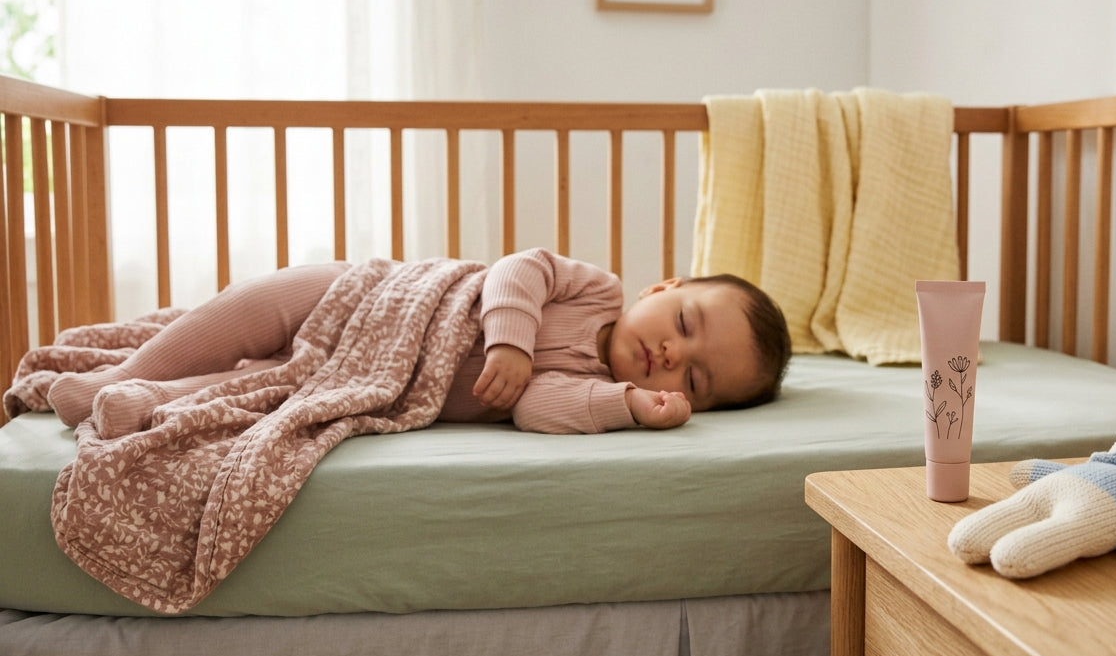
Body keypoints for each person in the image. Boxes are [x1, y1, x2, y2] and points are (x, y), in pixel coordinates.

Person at [46, 247, 791, 435]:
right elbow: (517, 270)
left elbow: (535, 409)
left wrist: (631, 408)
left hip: (382, 376)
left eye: (693, 382)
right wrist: (509, 341)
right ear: (662, 290)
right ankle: (133, 365)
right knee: (248, 311)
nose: (671, 358)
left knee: (272, 384)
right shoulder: (594, 289)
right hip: (378, 296)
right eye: (685, 328)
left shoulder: (598, 398)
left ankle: (136, 397)